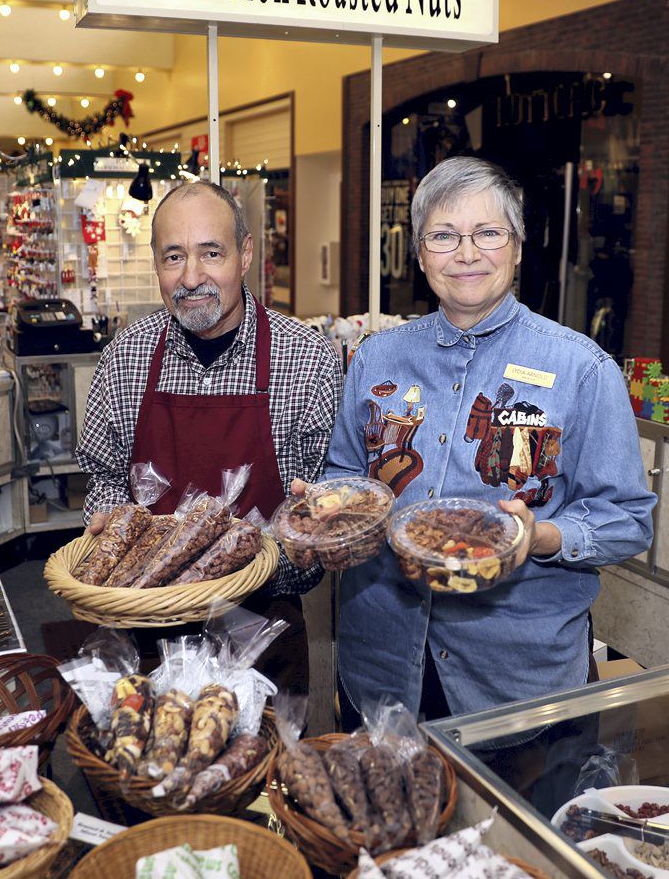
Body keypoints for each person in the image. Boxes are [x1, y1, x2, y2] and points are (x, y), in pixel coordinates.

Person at [320, 156, 655, 724]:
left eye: (488, 233)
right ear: (421, 253)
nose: (467, 254)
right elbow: (344, 472)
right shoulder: (377, 356)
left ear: (518, 247)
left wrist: (543, 535)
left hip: (516, 681)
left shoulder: (581, 369)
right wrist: (330, 506)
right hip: (381, 666)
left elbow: (627, 518)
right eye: (444, 236)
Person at [76, 180, 343, 690]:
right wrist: (114, 532)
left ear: (244, 254)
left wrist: (236, 574)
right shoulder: (125, 358)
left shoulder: (307, 360)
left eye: (211, 253)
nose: (191, 277)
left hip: (264, 630)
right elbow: (103, 477)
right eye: (173, 257)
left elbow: (318, 515)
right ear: (155, 263)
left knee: (267, 770)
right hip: (143, 633)